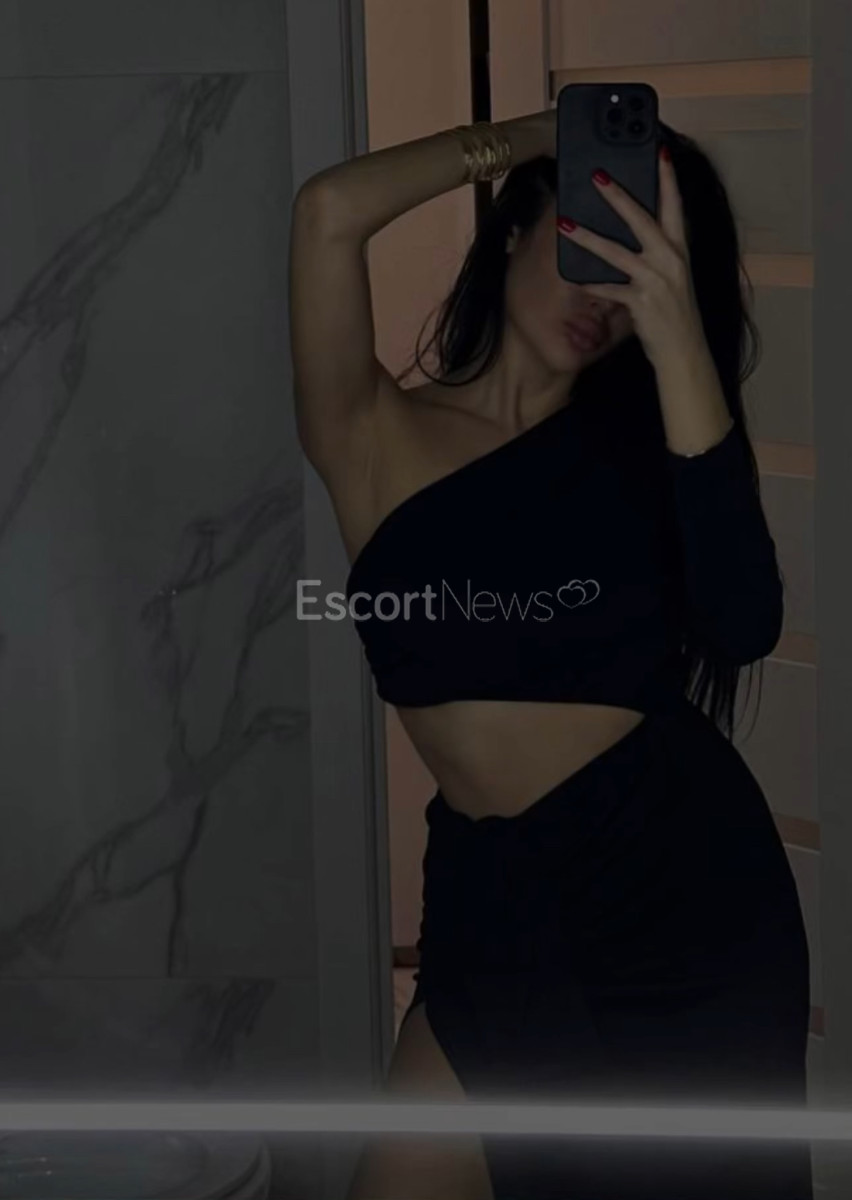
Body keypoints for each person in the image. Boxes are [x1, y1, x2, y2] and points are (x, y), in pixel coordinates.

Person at [289, 109, 813, 1199]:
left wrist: (677, 338)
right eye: (592, 245)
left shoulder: (639, 455)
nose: (602, 297)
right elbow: (329, 211)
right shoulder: (371, 432)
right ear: (524, 221)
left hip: (676, 897)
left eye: (636, 276)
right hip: (495, 897)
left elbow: (744, 622)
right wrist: (547, 135)